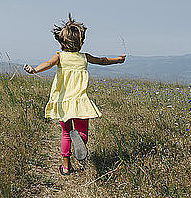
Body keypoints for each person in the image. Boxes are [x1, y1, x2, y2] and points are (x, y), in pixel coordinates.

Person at [23, 14, 126, 175]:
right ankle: (80, 139)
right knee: (82, 132)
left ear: (61, 42)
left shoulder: (59, 57)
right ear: (81, 41)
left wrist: (34, 70)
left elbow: (47, 64)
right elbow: (102, 60)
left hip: (63, 101)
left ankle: (66, 167)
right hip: (80, 101)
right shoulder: (84, 57)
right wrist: (117, 60)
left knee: (65, 134)